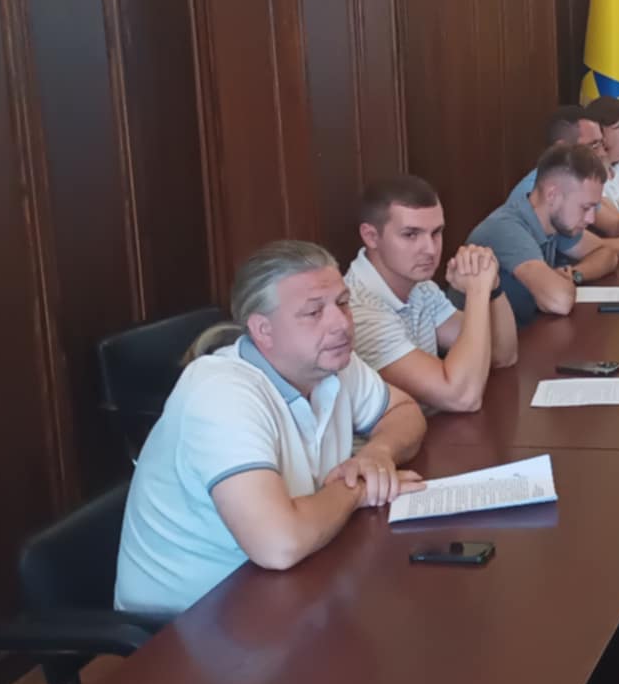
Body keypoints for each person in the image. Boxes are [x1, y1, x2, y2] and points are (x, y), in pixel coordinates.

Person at [116, 240, 429, 616]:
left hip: (282, 588)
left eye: (343, 303)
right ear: (263, 330)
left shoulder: (329, 361)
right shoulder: (220, 393)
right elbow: (278, 544)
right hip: (187, 623)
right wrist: (357, 488)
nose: (341, 324)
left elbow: (404, 411)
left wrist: (377, 454)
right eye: (314, 312)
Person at [344, 175, 518, 415]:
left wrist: (492, 287)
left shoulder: (420, 286)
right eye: (411, 234)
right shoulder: (359, 310)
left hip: (434, 430)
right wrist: (477, 291)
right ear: (371, 236)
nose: (430, 249)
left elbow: (503, 354)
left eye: (436, 233)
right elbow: (462, 397)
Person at [468, 144, 619, 320]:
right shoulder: (507, 229)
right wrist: (559, 283)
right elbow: (559, 301)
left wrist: (575, 274)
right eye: (585, 208)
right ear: (552, 194)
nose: (590, 219)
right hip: (493, 348)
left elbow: (607, 255)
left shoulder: (556, 222)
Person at [509, 106, 619, 243]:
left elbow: (600, 247)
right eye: (593, 146)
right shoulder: (541, 188)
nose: (602, 153)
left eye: (601, 143)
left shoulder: (578, 181)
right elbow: (614, 229)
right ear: (562, 147)